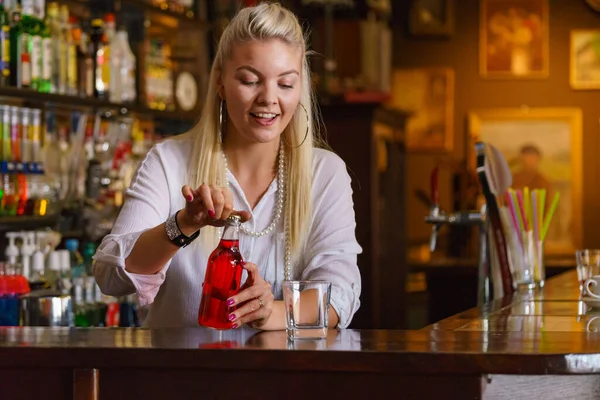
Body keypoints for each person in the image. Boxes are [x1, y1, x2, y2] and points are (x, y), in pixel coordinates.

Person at [92, 3, 362, 330]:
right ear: (220, 82)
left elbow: (339, 295)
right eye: (250, 80)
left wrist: (272, 312)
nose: (268, 98)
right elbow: (109, 276)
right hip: (178, 377)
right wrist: (182, 225)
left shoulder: (325, 174)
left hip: (284, 379)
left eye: (286, 84)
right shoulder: (169, 161)